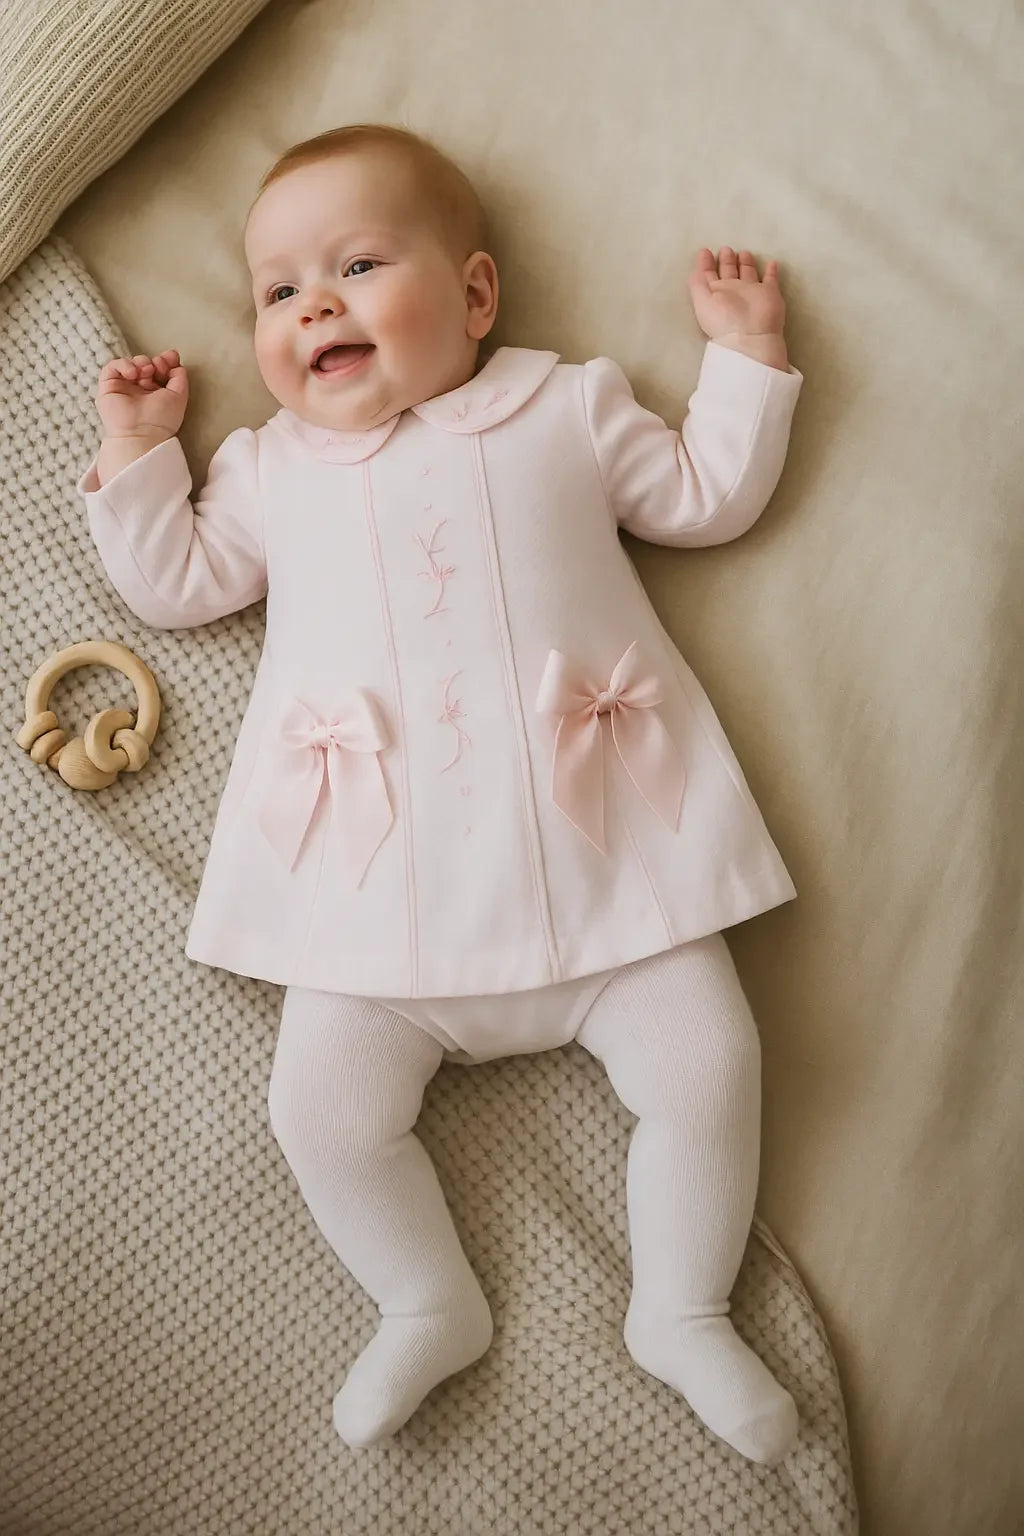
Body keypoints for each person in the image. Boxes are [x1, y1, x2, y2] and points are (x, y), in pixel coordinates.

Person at [79, 123, 804, 1464]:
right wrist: (140, 453)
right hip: (375, 905)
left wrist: (745, 362)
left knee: (711, 1062)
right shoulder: (266, 472)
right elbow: (176, 587)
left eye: (358, 264)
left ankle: (683, 1309)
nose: (316, 306)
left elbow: (704, 496)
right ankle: (425, 1297)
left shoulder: (563, 405)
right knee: (319, 1111)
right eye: (280, 291)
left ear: (474, 296)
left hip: (604, 871)